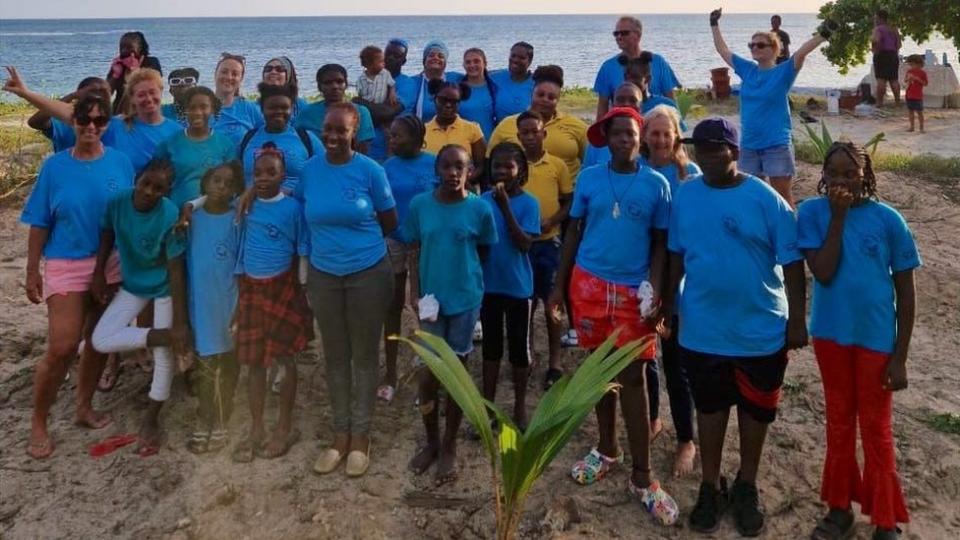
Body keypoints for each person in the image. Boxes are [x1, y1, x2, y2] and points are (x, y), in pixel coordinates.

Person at [662, 118, 808, 536]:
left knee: (756, 410)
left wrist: (797, 320)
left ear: (734, 152)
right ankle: (711, 483)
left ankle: (747, 483)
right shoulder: (685, 197)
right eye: (700, 149)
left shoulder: (765, 198)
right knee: (709, 408)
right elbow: (675, 256)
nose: (707, 157)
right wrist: (669, 306)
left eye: (715, 149)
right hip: (702, 327)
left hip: (759, 327)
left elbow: (793, 262)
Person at [547, 107, 678, 525]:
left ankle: (643, 476)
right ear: (606, 138)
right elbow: (573, 233)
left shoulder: (657, 184)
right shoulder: (589, 179)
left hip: (631, 293)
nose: (624, 139)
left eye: (631, 133)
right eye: (616, 133)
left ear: (641, 138)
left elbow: (660, 244)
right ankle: (607, 449)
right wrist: (558, 287)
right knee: (598, 374)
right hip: (587, 286)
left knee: (635, 379)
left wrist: (655, 289)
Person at [799, 142, 918, 540]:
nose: (841, 180)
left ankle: (885, 520)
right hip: (831, 338)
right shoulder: (813, 213)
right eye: (833, 172)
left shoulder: (889, 220)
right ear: (823, 175)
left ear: (865, 176)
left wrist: (899, 356)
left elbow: (906, 291)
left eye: (850, 173)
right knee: (838, 423)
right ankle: (839, 510)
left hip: (876, 342)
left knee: (876, 428)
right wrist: (837, 218)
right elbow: (825, 272)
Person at [18, 92, 134, 459]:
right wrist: (31, 269)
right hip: (65, 262)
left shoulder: (120, 162)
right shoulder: (55, 166)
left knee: (98, 340)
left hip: (109, 262)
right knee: (63, 346)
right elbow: (39, 220)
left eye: (101, 121)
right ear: (74, 121)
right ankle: (40, 420)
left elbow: (126, 217)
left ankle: (83, 407)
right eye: (85, 119)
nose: (92, 127)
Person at [302, 103, 397, 478]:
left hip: (368, 273)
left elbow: (389, 220)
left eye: (341, 130)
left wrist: (356, 245)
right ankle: (340, 433)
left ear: (354, 132)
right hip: (324, 276)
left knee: (364, 354)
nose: (332, 136)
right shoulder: (310, 170)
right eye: (328, 129)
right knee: (335, 355)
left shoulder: (370, 171)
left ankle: (361, 436)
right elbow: (300, 212)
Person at [401, 144, 497, 485]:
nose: (453, 173)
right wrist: (414, 290)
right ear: (437, 170)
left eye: (461, 167)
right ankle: (430, 441)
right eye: (447, 166)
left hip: (465, 300)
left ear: (470, 171)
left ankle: (450, 444)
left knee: (456, 373)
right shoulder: (420, 206)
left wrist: (466, 281)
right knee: (428, 373)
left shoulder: (479, 209)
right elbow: (413, 247)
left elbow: (484, 249)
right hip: (430, 303)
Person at [90, 158, 189, 457]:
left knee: (163, 360)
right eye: (146, 183)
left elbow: (175, 271)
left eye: (159, 188)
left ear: (167, 191)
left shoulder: (169, 214)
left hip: (161, 288)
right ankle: (163, 336)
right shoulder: (118, 201)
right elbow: (107, 235)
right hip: (133, 285)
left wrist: (180, 322)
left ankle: (151, 420)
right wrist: (99, 273)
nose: (149, 191)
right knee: (100, 339)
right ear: (137, 178)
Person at [231, 144, 314, 463]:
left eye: (272, 172)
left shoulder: (292, 208)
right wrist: (240, 290)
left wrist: (302, 288)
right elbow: (240, 248)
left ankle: (284, 426)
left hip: (282, 288)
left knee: (284, 358)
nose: (263, 178)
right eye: (258, 173)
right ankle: (255, 427)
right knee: (252, 362)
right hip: (252, 289)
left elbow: (302, 247)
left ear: (283, 175)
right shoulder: (246, 205)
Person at [710, 7, 831, 208]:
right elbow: (723, 50)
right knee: (750, 195)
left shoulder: (783, 73)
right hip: (749, 144)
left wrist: (824, 33)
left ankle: (789, 237)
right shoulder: (747, 69)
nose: (754, 48)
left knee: (782, 197)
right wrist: (714, 24)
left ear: (774, 49)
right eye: (751, 45)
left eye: (760, 45)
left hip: (776, 144)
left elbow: (801, 52)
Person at [640, 104, 702, 478]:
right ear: (644, 135)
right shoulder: (639, 169)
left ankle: (686, 439)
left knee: (676, 363)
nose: (661, 139)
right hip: (642, 271)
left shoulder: (688, 174)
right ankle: (650, 419)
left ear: (677, 136)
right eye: (655, 133)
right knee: (643, 357)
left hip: (678, 276)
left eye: (667, 133)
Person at [183, 162, 245, 454]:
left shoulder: (237, 218)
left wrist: (241, 306)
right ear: (205, 183)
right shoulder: (192, 217)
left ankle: (223, 414)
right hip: (202, 301)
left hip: (229, 300)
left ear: (235, 189)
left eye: (227, 183)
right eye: (215, 180)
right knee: (206, 363)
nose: (221, 186)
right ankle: (205, 415)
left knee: (229, 361)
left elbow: (241, 265)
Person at [480, 142, 540, 430]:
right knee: (491, 349)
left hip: (518, 288)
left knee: (519, 351)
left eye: (509, 166)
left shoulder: (529, 204)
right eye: (497, 166)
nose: (502, 171)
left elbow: (525, 244)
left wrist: (505, 209)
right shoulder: (481, 201)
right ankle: (487, 406)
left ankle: (519, 407)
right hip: (489, 286)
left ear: (522, 171)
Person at [381, 115, 437, 403]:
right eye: (390, 135)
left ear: (416, 139)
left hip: (427, 244)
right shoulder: (386, 168)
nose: (391, 140)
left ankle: (427, 367)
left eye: (397, 136)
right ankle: (390, 373)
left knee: (426, 306)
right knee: (392, 306)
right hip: (394, 240)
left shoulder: (434, 163)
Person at [514, 111, 571, 389]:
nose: (530, 137)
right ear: (518, 136)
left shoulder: (557, 165)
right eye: (524, 132)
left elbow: (568, 202)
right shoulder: (515, 166)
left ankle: (555, 361)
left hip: (549, 243)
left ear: (543, 133)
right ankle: (526, 356)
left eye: (535, 131)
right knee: (524, 303)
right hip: (521, 245)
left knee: (551, 303)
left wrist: (552, 220)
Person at [488, 65, 587, 179]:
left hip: (566, 194)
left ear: (558, 100)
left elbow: (592, 160)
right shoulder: (507, 124)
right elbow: (489, 161)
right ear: (532, 94)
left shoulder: (577, 127)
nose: (545, 100)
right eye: (540, 95)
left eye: (551, 97)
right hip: (518, 193)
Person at [154, 86, 236, 207]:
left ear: (212, 109)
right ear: (185, 110)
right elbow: (156, 181)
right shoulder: (169, 144)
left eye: (203, 107)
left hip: (214, 213)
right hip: (178, 214)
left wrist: (196, 204)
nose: (197, 112)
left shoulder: (225, 144)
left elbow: (233, 186)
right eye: (192, 108)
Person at [240, 82, 322, 193]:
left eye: (284, 107)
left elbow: (325, 172)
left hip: (295, 207)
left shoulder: (306, 139)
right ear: (262, 109)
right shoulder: (249, 138)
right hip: (253, 207)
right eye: (272, 108)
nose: (278, 112)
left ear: (292, 109)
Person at [593, 16, 680, 120]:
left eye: (624, 33)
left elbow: (670, 98)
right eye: (616, 34)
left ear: (638, 35)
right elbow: (602, 109)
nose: (619, 37)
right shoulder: (607, 67)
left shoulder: (658, 62)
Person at [297, 64, 376, 155]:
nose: (334, 86)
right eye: (328, 83)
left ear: (346, 84)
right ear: (319, 87)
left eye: (339, 82)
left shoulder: (361, 112)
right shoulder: (307, 113)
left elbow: (363, 148)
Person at [353, 38, 410, 161]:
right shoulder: (366, 78)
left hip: (391, 155)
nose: (390, 58)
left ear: (404, 61)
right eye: (388, 54)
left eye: (397, 55)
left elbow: (387, 113)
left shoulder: (407, 84)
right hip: (365, 151)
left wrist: (361, 102)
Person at [423, 81, 486, 186]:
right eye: (443, 100)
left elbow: (482, 165)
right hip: (431, 191)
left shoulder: (472, 129)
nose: (448, 105)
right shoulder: (422, 131)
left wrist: (465, 180)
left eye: (454, 101)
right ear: (435, 99)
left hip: (463, 191)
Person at [26, 77, 110, 153]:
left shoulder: (113, 123)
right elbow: (35, 122)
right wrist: (72, 96)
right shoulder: (64, 123)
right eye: (93, 92)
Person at [210, 53, 265, 147]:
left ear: (241, 79)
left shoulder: (250, 109)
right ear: (215, 74)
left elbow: (269, 136)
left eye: (235, 74)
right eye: (224, 72)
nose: (229, 77)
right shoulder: (199, 107)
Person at [398, 40, 457, 122]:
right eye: (431, 55)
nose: (436, 58)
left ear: (445, 63)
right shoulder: (412, 83)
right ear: (424, 61)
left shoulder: (455, 79)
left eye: (440, 56)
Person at [106, 31, 162, 114]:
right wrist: (115, 75)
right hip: (120, 112)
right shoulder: (119, 65)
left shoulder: (151, 62)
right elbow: (106, 94)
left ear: (139, 48)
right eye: (122, 48)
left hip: (145, 112)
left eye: (129, 48)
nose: (124, 51)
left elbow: (155, 88)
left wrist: (135, 70)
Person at [453, 48, 498, 140]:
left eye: (476, 61)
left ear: (485, 63)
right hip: (464, 143)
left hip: (490, 142)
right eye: (468, 62)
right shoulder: (457, 88)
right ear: (463, 65)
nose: (472, 65)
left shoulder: (494, 86)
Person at [489, 42, 535, 122]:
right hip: (499, 132)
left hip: (525, 132)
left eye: (522, 57)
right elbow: (476, 74)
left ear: (530, 61)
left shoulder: (536, 84)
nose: (515, 60)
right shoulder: (497, 77)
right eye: (513, 56)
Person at [260, 56, 308, 126]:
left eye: (279, 69)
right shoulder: (254, 107)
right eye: (268, 69)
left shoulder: (301, 106)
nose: (273, 72)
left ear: (288, 75)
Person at [872, 10, 903, 107]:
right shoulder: (893, 28)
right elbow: (899, 44)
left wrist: (875, 49)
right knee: (894, 79)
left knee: (881, 79)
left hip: (882, 54)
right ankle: (897, 102)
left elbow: (876, 40)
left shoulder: (878, 29)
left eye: (875, 18)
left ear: (880, 18)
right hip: (893, 55)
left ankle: (879, 102)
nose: (875, 20)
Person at [904, 55, 928, 133]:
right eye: (910, 65)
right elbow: (905, 80)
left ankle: (921, 127)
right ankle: (912, 126)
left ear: (919, 64)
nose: (911, 66)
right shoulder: (909, 71)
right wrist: (909, 79)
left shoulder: (922, 73)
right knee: (910, 111)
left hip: (917, 95)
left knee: (919, 112)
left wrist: (918, 79)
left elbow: (925, 83)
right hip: (909, 94)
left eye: (912, 64)